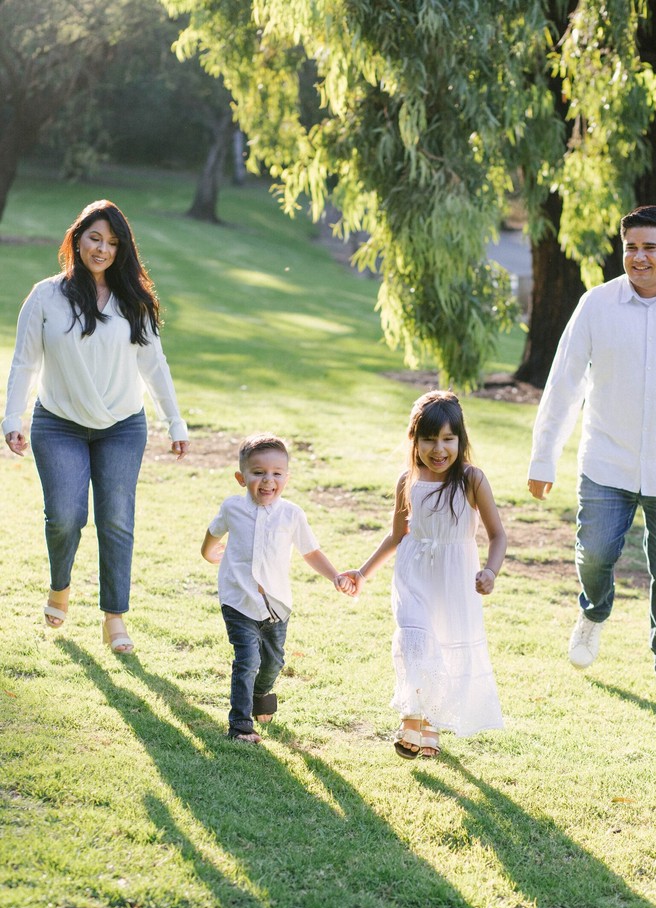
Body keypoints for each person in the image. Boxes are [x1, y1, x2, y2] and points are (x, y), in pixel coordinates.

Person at [2, 199, 189, 654]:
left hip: (122, 426)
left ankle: (114, 619)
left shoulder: (134, 301)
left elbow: (155, 365)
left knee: (116, 520)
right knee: (65, 517)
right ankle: (60, 586)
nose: (102, 249)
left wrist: (175, 422)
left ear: (122, 249)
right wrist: (12, 417)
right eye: (95, 238)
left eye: (112, 242)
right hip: (58, 424)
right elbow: (25, 362)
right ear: (77, 239)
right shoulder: (45, 296)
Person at [528, 204, 656, 700]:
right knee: (593, 555)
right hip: (606, 463)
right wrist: (543, 458)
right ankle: (593, 613)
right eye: (630, 247)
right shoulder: (596, 304)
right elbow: (564, 384)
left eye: (650, 247)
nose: (639, 257)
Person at [340, 391, 507, 759]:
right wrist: (363, 573)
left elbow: (498, 535)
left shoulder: (471, 480)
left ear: (461, 440)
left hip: (454, 579)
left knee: (441, 648)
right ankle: (411, 717)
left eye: (448, 439)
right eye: (429, 439)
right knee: (413, 641)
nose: (439, 449)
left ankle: (430, 722)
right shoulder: (408, 480)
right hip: (413, 574)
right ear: (414, 440)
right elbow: (397, 536)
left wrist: (490, 571)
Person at [201, 433, 354, 743]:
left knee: (273, 662)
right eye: (258, 472)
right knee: (248, 660)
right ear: (241, 478)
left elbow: (310, 551)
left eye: (276, 473)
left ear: (287, 477)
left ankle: (260, 694)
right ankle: (240, 725)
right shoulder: (232, 508)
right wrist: (208, 553)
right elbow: (213, 532)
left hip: (277, 604)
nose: (268, 480)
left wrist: (335, 575)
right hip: (238, 599)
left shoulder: (291, 514)